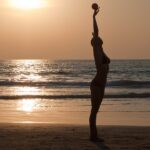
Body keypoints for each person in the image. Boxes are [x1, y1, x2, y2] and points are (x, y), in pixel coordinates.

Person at [89, 4, 110, 142]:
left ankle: (94, 135)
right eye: (96, 39)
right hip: (97, 84)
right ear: (95, 43)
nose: (99, 38)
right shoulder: (97, 52)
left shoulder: (102, 51)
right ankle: (93, 136)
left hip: (101, 85)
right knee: (94, 110)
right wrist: (94, 17)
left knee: (96, 110)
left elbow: (97, 34)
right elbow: (96, 32)